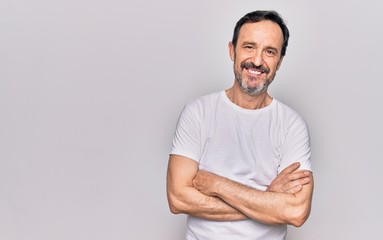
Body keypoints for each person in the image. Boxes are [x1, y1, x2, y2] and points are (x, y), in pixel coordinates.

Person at [166, 10, 314, 240]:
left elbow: (296, 211)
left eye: (270, 52)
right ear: (232, 50)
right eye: (249, 47)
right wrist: (268, 199)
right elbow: (178, 198)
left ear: (280, 62)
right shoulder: (198, 112)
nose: (257, 61)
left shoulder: (292, 125)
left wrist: (216, 184)